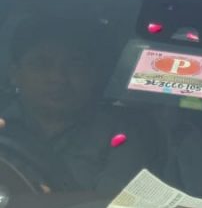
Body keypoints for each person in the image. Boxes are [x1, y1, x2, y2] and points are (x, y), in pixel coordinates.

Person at [3, 17, 161, 194]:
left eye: (75, 65)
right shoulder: (3, 123)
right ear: (15, 74)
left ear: (93, 75)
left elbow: (112, 206)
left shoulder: (120, 133)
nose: (58, 78)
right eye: (41, 65)